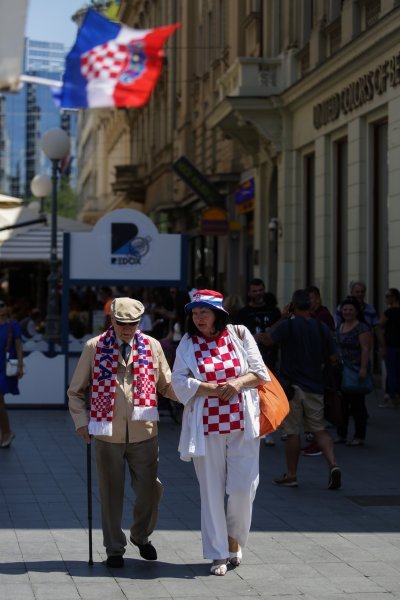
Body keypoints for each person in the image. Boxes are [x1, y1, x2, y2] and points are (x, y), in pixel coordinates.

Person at [68, 297, 178, 568]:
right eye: (121, 323)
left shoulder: (152, 346)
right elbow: (75, 391)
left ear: (140, 322)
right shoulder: (94, 347)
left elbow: (167, 384)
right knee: (110, 492)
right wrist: (82, 422)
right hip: (107, 433)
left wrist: (196, 398)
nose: (127, 329)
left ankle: (141, 536)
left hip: (145, 431)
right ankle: (114, 549)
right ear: (112, 321)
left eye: (133, 324)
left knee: (150, 490)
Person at [171, 289, 269, 576]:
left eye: (204, 311)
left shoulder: (239, 334)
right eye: (194, 312)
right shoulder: (188, 342)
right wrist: (208, 388)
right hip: (206, 427)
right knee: (211, 492)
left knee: (243, 489)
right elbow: (177, 382)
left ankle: (233, 539)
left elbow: (259, 373)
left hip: (242, 424)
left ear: (218, 314)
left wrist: (237, 384)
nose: (198, 317)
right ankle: (218, 554)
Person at [263, 289, 341, 489]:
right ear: (311, 306)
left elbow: (268, 339)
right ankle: (333, 465)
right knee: (319, 429)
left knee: (292, 432)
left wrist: (282, 318)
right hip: (315, 386)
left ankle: (291, 474)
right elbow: (333, 358)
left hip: (292, 387)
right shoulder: (321, 327)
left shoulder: (288, 326)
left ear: (292, 306)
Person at [236, 279, 281, 446]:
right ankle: (255, 427)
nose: (258, 294)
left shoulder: (274, 311)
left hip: (271, 359)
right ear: (249, 293)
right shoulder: (242, 313)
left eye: (260, 290)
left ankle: (268, 430)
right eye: (254, 291)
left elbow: (280, 331)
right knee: (254, 397)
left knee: (269, 396)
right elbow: (237, 336)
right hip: (250, 363)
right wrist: (254, 338)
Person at [301, 286, 335, 457]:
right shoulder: (310, 317)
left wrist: (322, 363)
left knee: (316, 412)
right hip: (309, 370)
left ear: (319, 299)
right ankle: (316, 441)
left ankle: (320, 446)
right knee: (312, 412)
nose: (310, 302)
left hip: (318, 370)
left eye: (312, 298)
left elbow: (327, 344)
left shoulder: (323, 317)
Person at [335, 296, 373, 445]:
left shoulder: (362, 328)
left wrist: (363, 369)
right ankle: (342, 434)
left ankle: (359, 436)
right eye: (345, 309)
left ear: (356, 311)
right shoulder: (340, 326)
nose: (347, 312)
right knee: (341, 404)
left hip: (355, 370)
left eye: (351, 309)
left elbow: (365, 349)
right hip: (341, 371)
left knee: (357, 404)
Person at [0, 299, 24, 448]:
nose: (1, 308)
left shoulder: (12, 325)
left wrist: (20, 365)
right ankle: (5, 432)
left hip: (5, 368)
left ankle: (7, 432)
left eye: (2, 305)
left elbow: (19, 346)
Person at [378, 288, 400, 408]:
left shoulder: (388, 313)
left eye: (388, 296)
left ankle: (392, 397)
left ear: (394, 297)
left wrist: (382, 345)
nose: (386, 298)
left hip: (391, 345)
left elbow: (379, 326)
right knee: (397, 371)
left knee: (391, 372)